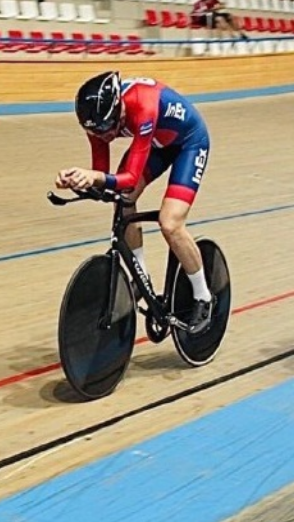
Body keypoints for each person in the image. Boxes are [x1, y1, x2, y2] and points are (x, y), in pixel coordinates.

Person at [55, 71, 214, 334]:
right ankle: (142, 278)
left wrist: (96, 178)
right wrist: (77, 180)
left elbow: (127, 178)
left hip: (189, 143)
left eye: (109, 130)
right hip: (155, 143)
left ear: (118, 109)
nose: (104, 137)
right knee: (122, 200)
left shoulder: (144, 105)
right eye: (98, 132)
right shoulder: (96, 119)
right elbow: (102, 174)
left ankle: (204, 296)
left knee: (170, 223)